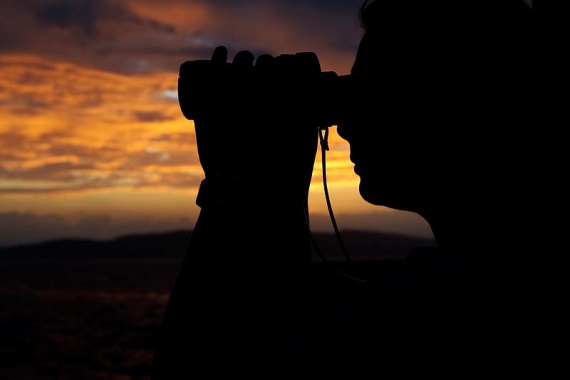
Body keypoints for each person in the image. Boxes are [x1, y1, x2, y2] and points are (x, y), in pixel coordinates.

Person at [152, 0, 565, 378]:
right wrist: (274, 181)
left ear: (454, 104)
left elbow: (198, 366)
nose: (346, 125)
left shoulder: (441, 313)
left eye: (371, 94)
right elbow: (283, 318)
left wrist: (239, 180)